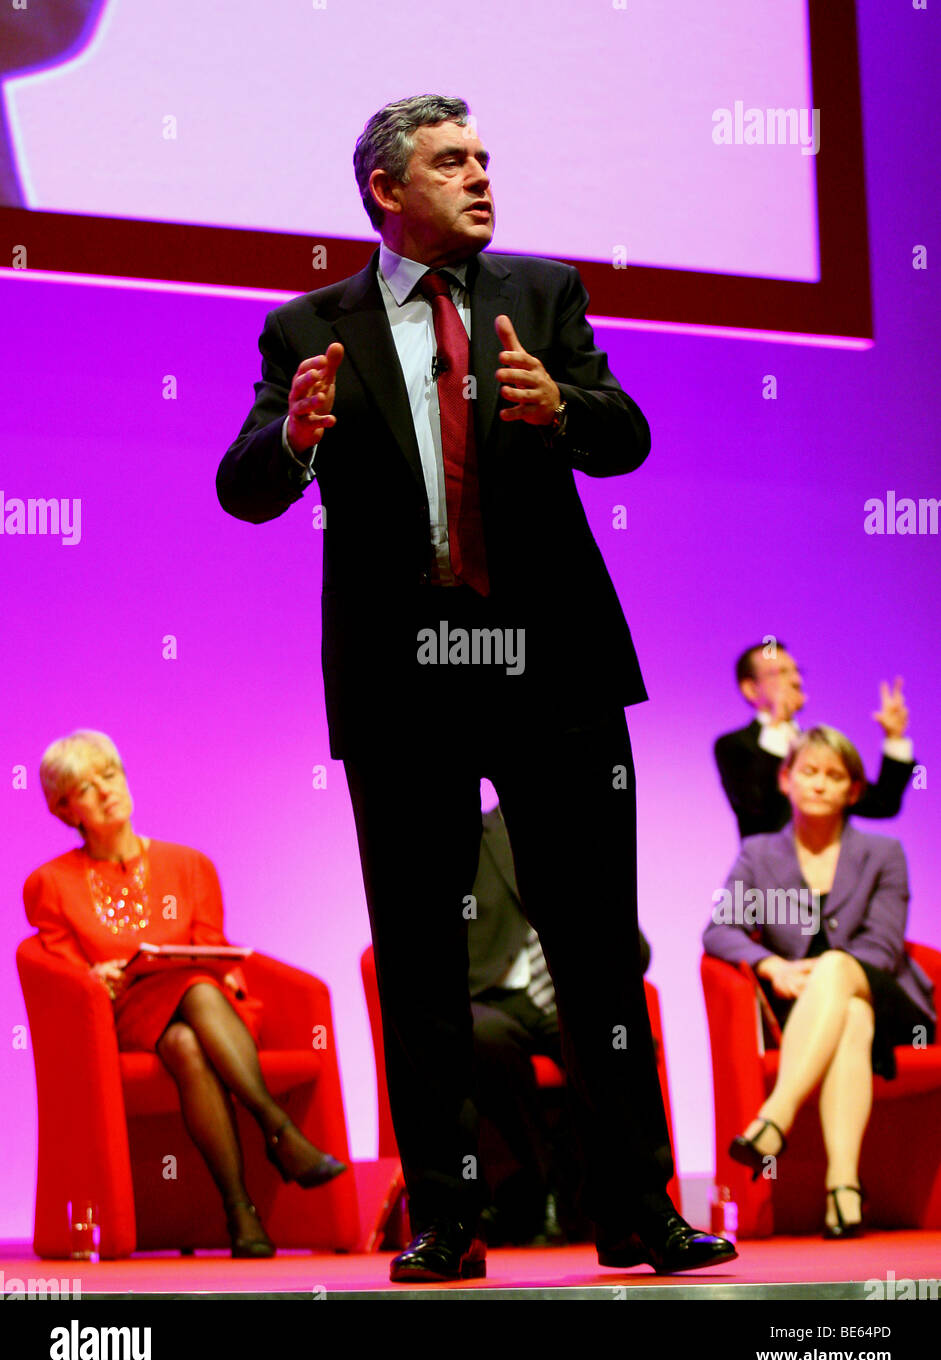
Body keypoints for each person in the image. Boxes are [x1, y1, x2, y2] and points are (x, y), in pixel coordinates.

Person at [217, 94, 735, 1280]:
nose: (482, 176)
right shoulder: (309, 327)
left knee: (599, 948)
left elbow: (624, 435)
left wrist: (566, 408)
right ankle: (447, 1221)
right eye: (452, 161)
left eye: (486, 157)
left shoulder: (541, 295)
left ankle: (636, 1211)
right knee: (419, 950)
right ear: (384, 191)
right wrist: (294, 439)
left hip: (548, 668)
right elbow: (243, 488)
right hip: (406, 687)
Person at [23, 730, 346, 1258]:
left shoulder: (189, 865)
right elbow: (65, 974)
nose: (107, 791)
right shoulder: (51, 883)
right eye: (87, 786)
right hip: (121, 1020)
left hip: (209, 1015)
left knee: (189, 1033)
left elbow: (211, 951)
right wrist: (96, 974)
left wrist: (198, 971)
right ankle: (278, 1133)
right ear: (65, 809)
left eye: (111, 775)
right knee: (191, 999)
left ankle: (241, 1210)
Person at [703, 726, 935, 1237]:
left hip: (892, 1001)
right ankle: (844, 1190)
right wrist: (772, 966)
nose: (820, 784)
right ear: (785, 780)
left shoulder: (883, 852)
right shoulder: (759, 854)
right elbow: (719, 930)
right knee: (850, 1016)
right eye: (808, 771)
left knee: (844, 979)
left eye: (835, 776)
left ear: (853, 791)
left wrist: (828, 971)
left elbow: (881, 947)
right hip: (810, 1011)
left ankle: (774, 1118)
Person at [469, 803, 652, 1245]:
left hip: (561, 992)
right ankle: (541, 1180)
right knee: (485, 1036)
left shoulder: (574, 833)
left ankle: (609, 1196)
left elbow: (631, 946)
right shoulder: (471, 835)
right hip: (490, 993)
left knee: (614, 1042)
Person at [714, 642, 914, 840]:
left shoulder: (821, 746)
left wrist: (894, 737)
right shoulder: (734, 745)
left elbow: (882, 804)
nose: (796, 680)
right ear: (751, 689)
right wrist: (776, 724)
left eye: (797, 671)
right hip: (770, 870)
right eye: (781, 673)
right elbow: (756, 807)